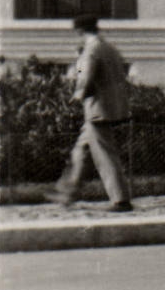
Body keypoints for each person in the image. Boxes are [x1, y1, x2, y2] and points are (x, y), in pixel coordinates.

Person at [53, 14, 133, 212]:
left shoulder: (90, 50)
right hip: (111, 106)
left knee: (105, 155)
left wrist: (76, 96)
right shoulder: (109, 47)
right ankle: (67, 192)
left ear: (80, 31)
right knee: (80, 150)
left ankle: (121, 200)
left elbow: (85, 78)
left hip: (97, 109)